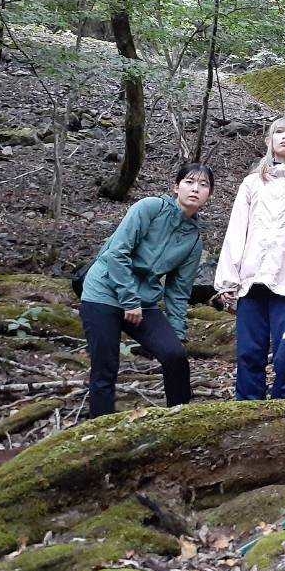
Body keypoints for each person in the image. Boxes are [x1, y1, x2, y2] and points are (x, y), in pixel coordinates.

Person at [79, 163, 212, 418]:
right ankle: (101, 428)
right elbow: (117, 253)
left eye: (203, 185)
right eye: (189, 182)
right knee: (105, 367)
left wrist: (177, 333)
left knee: (174, 355)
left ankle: (180, 420)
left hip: (144, 302)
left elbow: (178, 291)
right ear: (176, 187)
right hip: (103, 292)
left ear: (209, 195)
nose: (195, 189)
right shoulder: (150, 208)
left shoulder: (193, 240)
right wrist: (129, 301)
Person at [214, 116, 285, 400]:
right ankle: (247, 410)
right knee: (249, 352)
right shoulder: (252, 183)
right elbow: (236, 231)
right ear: (269, 140)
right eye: (279, 132)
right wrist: (228, 279)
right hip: (252, 280)